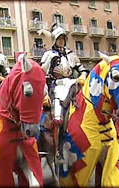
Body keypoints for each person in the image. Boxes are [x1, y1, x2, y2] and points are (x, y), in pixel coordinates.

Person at [39, 23, 89, 161]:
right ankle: (57, 150)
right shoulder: (49, 55)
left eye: (63, 38)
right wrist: (44, 94)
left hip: (72, 84)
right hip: (56, 86)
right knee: (57, 118)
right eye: (59, 38)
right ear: (55, 40)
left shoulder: (71, 54)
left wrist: (83, 75)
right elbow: (41, 75)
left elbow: (82, 69)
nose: (61, 41)